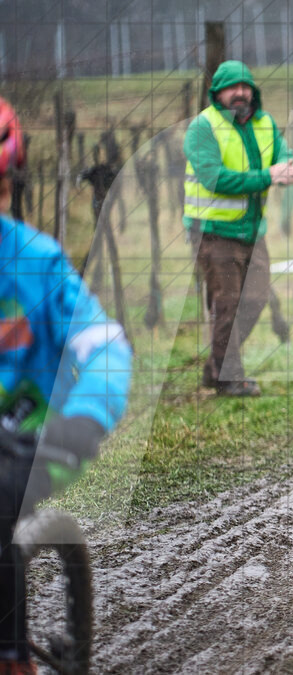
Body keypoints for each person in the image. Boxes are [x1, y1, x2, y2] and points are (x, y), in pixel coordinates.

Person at [0, 96, 133, 673]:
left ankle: (12, 660)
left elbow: (103, 345)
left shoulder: (37, 263)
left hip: (34, 440)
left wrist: (84, 418)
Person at [183, 59, 293, 397]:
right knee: (228, 303)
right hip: (212, 232)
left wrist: (289, 168)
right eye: (232, 87)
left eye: (245, 86)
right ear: (217, 93)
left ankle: (215, 369)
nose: (240, 92)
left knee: (256, 298)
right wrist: (268, 176)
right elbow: (214, 177)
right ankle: (228, 377)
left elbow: (284, 156)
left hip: (252, 232)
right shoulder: (203, 128)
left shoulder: (264, 123)